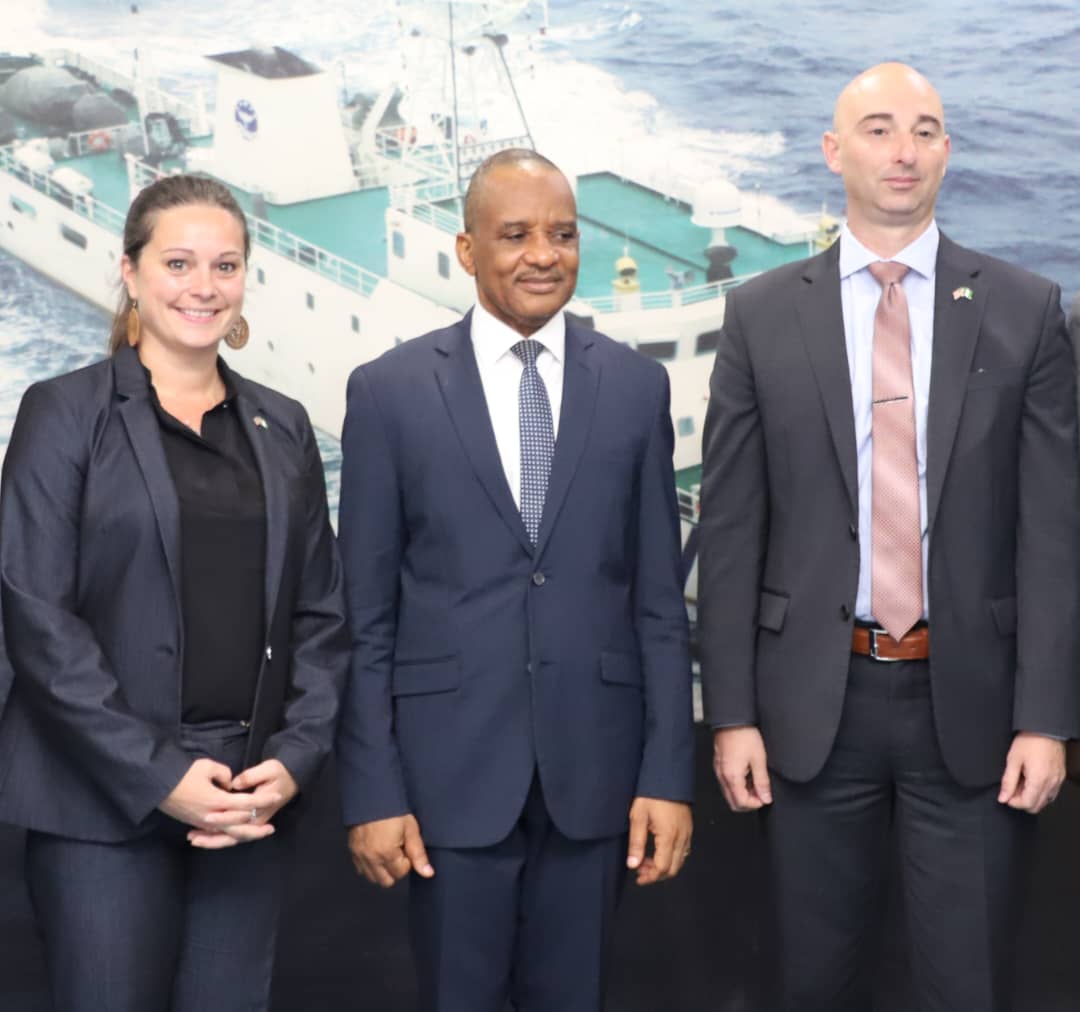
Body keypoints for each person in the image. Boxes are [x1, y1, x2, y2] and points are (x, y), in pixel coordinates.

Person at [698, 63, 1079, 1010]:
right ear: (834, 152)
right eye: (877, 129)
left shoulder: (1027, 310)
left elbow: (1052, 533)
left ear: (947, 150)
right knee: (812, 982)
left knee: (968, 983)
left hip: (976, 709)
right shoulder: (759, 314)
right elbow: (733, 529)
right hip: (810, 709)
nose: (903, 151)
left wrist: (1046, 718)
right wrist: (731, 714)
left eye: (924, 129)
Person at [336, 148, 694, 1012]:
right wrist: (372, 788)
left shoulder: (636, 388)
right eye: (516, 234)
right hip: (446, 784)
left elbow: (658, 606)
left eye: (562, 234)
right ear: (467, 249)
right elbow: (364, 619)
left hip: (596, 780)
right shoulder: (388, 393)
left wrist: (667, 776)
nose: (544, 254)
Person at [0, 174, 348, 1012]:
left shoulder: (283, 425)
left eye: (225, 265)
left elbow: (321, 616)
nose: (204, 286)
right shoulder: (63, 413)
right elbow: (38, 619)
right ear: (131, 271)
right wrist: (161, 776)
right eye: (179, 262)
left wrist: (293, 761)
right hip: (98, 803)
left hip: (246, 797)